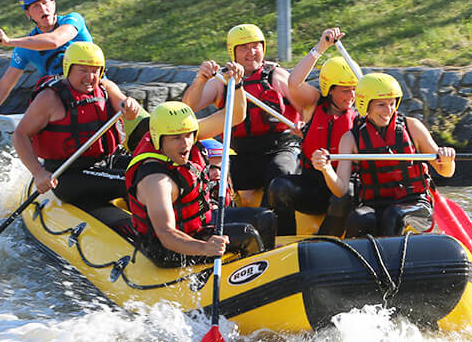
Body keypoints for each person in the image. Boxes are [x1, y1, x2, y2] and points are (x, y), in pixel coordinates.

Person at [125, 100, 277, 268]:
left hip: (200, 224)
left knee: (265, 218)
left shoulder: (181, 136)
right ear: (158, 138)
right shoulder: (156, 181)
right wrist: (205, 248)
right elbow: (166, 234)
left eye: (189, 135)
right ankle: (249, 278)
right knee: (246, 235)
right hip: (168, 248)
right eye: (176, 138)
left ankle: (265, 267)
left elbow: (236, 114)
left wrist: (237, 83)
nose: (186, 144)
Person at [314, 72, 456, 237]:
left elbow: (446, 171)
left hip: (415, 205)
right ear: (365, 105)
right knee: (358, 219)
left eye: (392, 103)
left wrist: (447, 160)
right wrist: (325, 169)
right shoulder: (350, 139)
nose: (388, 110)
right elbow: (340, 190)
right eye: (381, 105)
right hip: (375, 205)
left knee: (394, 215)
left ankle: (391, 259)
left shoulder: (412, 127)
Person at [181, 23, 301, 207]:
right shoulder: (222, 81)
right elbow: (189, 105)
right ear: (233, 52)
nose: (251, 52)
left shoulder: (276, 76)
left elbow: (306, 106)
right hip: (243, 152)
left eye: (256, 47)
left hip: (281, 148)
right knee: (238, 187)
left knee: (279, 178)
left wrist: (303, 125)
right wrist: (201, 79)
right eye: (244, 48)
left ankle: (284, 232)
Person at [11, 42, 141, 211]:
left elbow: (128, 111)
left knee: (153, 170)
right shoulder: (49, 99)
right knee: (136, 181)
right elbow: (20, 135)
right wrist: (38, 173)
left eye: (95, 70)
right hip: (69, 174)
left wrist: (130, 106)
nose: (90, 77)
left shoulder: (106, 88)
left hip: (108, 162)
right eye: (83, 70)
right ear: (68, 69)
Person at [0, 0, 94, 137]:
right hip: (62, 102)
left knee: (113, 91)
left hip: (94, 87)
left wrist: (9, 42)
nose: (43, 9)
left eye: (46, 2)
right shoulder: (25, 47)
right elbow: (3, 87)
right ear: (28, 14)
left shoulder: (73, 20)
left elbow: (54, 41)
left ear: (54, 3)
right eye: (36, 6)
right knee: (20, 134)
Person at [267, 27, 357, 236]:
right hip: (313, 185)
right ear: (329, 89)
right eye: (345, 90)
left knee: (346, 194)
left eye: (354, 89)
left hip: (343, 185)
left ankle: (324, 243)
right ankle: (285, 241)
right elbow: (294, 82)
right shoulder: (312, 105)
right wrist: (321, 47)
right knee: (278, 187)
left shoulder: (362, 112)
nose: (351, 95)